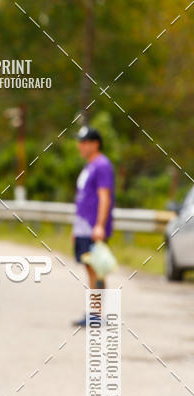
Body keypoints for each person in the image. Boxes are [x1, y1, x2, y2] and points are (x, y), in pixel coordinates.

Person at [72, 126, 115, 327]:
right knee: (89, 268)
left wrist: (99, 225)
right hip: (82, 226)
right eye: (80, 142)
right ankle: (93, 312)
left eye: (85, 142)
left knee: (96, 269)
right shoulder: (88, 166)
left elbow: (104, 197)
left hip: (92, 227)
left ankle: (97, 314)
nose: (81, 146)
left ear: (95, 144)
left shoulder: (102, 165)